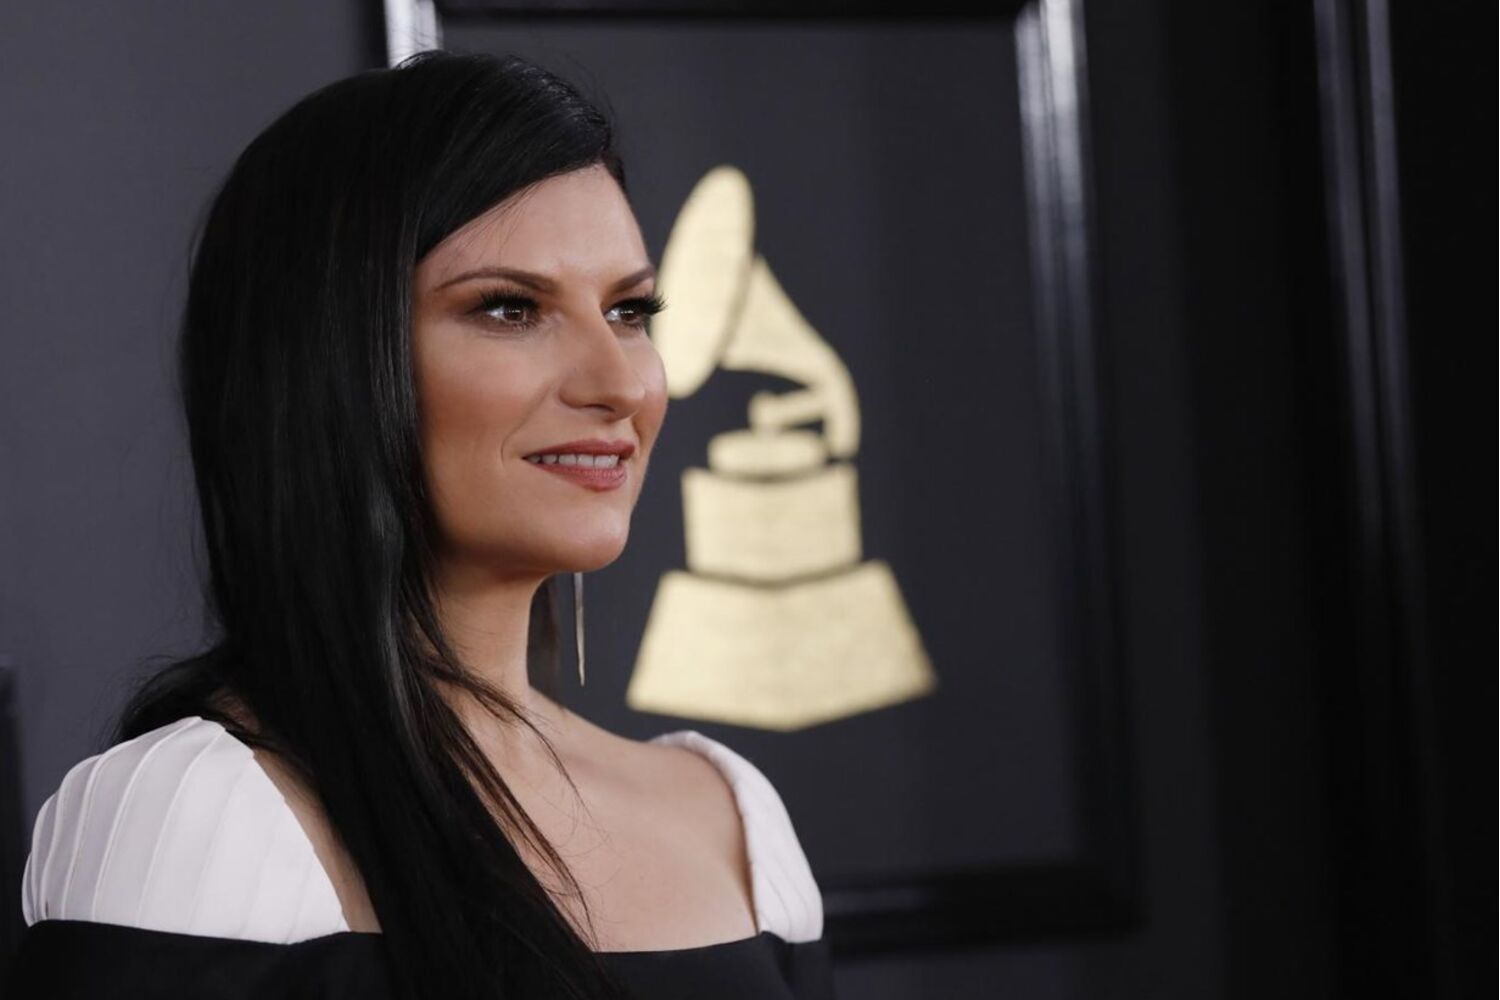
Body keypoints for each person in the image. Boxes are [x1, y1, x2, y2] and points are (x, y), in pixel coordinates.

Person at [7, 50, 832, 999]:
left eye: (629, 309)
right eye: (510, 309)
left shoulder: (732, 819)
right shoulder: (199, 819)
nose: (620, 384)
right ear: (332, 361)